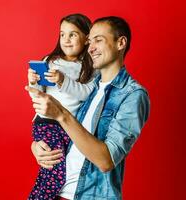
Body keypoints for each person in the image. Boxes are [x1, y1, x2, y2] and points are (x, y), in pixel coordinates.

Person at [26, 16, 150, 200]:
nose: (90, 47)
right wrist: (37, 147)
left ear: (121, 43)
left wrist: (61, 114)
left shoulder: (132, 95)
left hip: (89, 195)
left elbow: (106, 160)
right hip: (56, 191)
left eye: (98, 40)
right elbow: (70, 135)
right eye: (90, 41)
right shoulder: (90, 86)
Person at [27, 14, 96, 200]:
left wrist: (63, 80)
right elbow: (37, 94)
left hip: (70, 125)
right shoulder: (50, 60)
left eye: (73, 34)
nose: (66, 39)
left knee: (57, 171)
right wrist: (33, 82)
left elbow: (86, 93)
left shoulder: (89, 66)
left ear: (86, 38)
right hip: (46, 122)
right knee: (54, 171)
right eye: (62, 34)